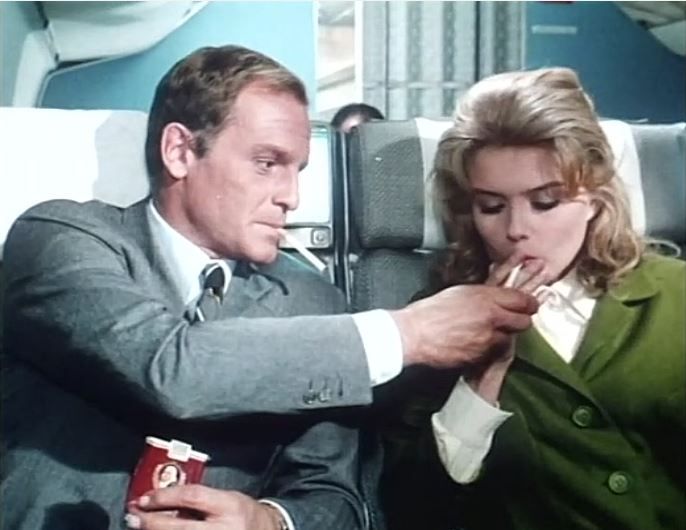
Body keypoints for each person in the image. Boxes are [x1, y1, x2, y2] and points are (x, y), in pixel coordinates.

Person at [1, 45, 537, 530]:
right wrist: (404, 335)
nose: (292, 197)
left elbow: (342, 501)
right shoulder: (61, 239)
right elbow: (169, 367)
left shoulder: (314, 303)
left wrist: (270, 521)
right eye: (267, 164)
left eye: (297, 169)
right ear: (180, 151)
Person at [380, 67, 686, 530]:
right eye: (491, 206)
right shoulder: (436, 319)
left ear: (595, 197)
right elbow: (415, 505)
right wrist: (482, 376)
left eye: (546, 202)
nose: (517, 229)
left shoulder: (675, 294)